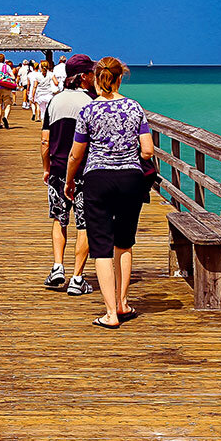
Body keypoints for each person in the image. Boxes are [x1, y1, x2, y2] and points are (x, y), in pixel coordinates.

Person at [64, 57, 154, 329]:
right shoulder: (135, 108)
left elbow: (76, 154)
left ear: (96, 77)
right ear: (120, 77)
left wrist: (69, 182)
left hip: (97, 179)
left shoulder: (88, 110)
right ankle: (123, 303)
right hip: (130, 179)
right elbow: (148, 150)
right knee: (124, 242)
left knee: (101, 247)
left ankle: (109, 314)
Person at [41, 55, 96, 295]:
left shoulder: (55, 101)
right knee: (84, 224)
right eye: (92, 73)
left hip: (57, 169)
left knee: (58, 219)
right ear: (84, 76)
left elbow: (45, 141)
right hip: (85, 171)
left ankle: (57, 266)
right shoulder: (92, 102)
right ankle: (77, 278)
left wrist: (46, 167)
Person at [0, 54, 20, 129]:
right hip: (6, 88)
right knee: (8, 104)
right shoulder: (7, 67)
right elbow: (13, 77)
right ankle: (5, 117)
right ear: (4, 59)